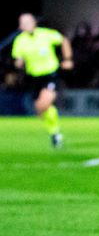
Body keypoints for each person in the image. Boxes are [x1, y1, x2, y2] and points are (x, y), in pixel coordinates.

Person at [11, 13, 72, 148]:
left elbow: (64, 40)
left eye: (29, 22)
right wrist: (19, 63)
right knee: (41, 109)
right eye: (24, 23)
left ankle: (55, 133)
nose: (27, 25)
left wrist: (67, 59)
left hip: (50, 75)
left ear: (34, 22)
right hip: (33, 78)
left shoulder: (46, 34)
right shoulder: (20, 41)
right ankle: (55, 133)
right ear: (20, 26)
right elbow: (18, 59)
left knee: (43, 105)